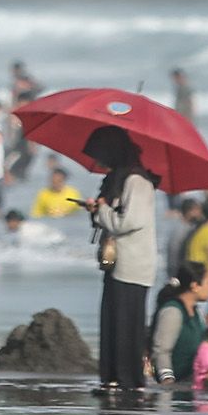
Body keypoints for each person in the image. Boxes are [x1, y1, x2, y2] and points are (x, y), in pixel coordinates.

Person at [73, 125, 160, 391]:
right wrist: (98, 209)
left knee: (126, 325)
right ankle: (111, 377)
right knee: (113, 321)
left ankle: (128, 380)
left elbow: (129, 221)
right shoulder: (118, 180)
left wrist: (102, 211)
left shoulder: (137, 182)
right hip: (118, 263)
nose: (99, 162)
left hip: (134, 263)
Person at [152, 261, 208, 388]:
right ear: (195, 286)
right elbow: (161, 351)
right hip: (177, 382)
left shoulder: (196, 312)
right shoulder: (173, 311)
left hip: (193, 379)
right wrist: (168, 381)